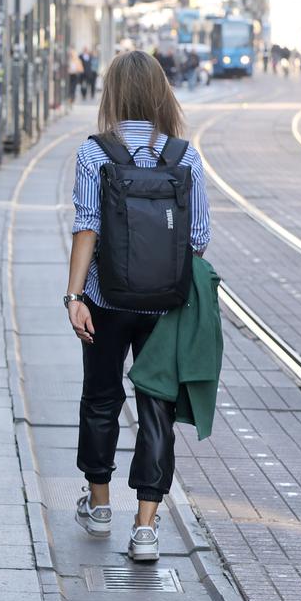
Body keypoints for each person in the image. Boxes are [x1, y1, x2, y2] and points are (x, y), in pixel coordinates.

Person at [67, 50, 211, 562]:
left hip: (106, 299)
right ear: (159, 94)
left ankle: (100, 506)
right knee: (157, 408)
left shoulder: (95, 153)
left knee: (102, 397)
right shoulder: (184, 156)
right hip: (165, 307)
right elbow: (199, 236)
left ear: (112, 95)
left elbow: (87, 226)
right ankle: (146, 528)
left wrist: (75, 295)